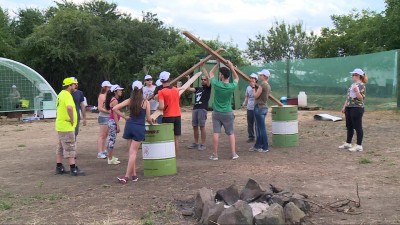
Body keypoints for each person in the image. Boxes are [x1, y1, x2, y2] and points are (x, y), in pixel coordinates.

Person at [114, 80, 153, 183]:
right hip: (139, 128)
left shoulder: (129, 100)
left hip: (129, 126)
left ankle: (134, 175)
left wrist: (125, 117)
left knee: (131, 152)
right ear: (141, 89)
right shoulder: (145, 102)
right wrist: (152, 123)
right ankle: (126, 177)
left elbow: (115, 108)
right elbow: (148, 118)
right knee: (133, 153)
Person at [209, 61, 239, 161]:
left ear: (221, 75)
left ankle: (215, 154)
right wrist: (231, 66)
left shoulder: (217, 84)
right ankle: (234, 154)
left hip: (217, 112)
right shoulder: (232, 86)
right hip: (228, 112)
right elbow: (237, 78)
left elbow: (211, 73)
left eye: (220, 74)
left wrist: (217, 64)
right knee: (230, 133)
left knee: (216, 132)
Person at [55, 77, 84, 176]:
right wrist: (72, 119)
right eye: (74, 84)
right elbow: (69, 107)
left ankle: (59, 166)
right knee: (70, 146)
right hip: (66, 126)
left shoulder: (60, 94)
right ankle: (73, 168)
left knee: (61, 146)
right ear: (69, 85)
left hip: (60, 125)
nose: (75, 86)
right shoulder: (67, 95)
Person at [339, 68, 368, 152]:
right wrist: (345, 107)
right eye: (352, 74)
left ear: (359, 76)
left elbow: (361, 98)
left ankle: (359, 146)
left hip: (357, 108)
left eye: (354, 74)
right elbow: (348, 97)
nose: (352, 76)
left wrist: (357, 91)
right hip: (349, 108)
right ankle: (348, 143)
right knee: (349, 126)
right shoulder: (353, 84)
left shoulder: (361, 85)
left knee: (358, 127)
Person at [186, 66, 212, 151]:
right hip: (195, 108)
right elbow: (189, 88)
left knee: (202, 126)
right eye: (202, 79)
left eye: (204, 79)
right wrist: (189, 79)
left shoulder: (208, 88)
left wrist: (203, 66)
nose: (203, 80)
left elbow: (208, 77)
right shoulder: (198, 88)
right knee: (194, 126)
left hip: (202, 109)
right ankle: (196, 143)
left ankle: (203, 144)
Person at [157, 71, 182, 155]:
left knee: (167, 138)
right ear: (169, 79)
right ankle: (176, 155)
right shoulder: (175, 90)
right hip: (177, 115)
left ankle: (168, 155)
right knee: (176, 138)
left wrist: (157, 108)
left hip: (168, 116)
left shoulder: (161, 92)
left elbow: (161, 106)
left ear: (161, 81)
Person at [249, 69, 271, 153]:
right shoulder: (268, 85)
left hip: (259, 108)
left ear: (264, 76)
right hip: (264, 108)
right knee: (259, 128)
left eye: (261, 75)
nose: (259, 76)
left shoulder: (262, 85)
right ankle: (258, 145)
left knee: (261, 129)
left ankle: (265, 147)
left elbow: (255, 96)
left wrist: (253, 87)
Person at [105, 84, 126, 165]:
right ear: (115, 92)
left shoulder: (112, 100)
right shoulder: (115, 101)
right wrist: (118, 124)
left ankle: (110, 156)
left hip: (111, 121)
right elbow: (114, 114)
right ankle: (110, 158)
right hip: (113, 121)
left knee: (111, 139)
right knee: (112, 140)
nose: (121, 91)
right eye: (119, 90)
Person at [97, 81, 112, 159]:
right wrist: (108, 111)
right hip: (103, 117)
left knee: (105, 135)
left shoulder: (108, 95)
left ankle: (103, 150)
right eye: (108, 87)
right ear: (104, 87)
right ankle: (100, 152)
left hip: (107, 116)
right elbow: (99, 108)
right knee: (102, 135)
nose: (109, 88)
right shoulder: (102, 96)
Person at [242, 73, 258, 143]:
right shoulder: (248, 87)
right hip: (249, 108)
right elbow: (247, 96)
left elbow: (257, 96)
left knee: (257, 123)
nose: (251, 79)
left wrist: (254, 87)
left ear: (256, 80)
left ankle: (258, 137)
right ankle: (251, 137)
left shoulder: (258, 87)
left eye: (252, 78)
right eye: (250, 78)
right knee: (250, 123)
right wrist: (244, 102)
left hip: (256, 108)